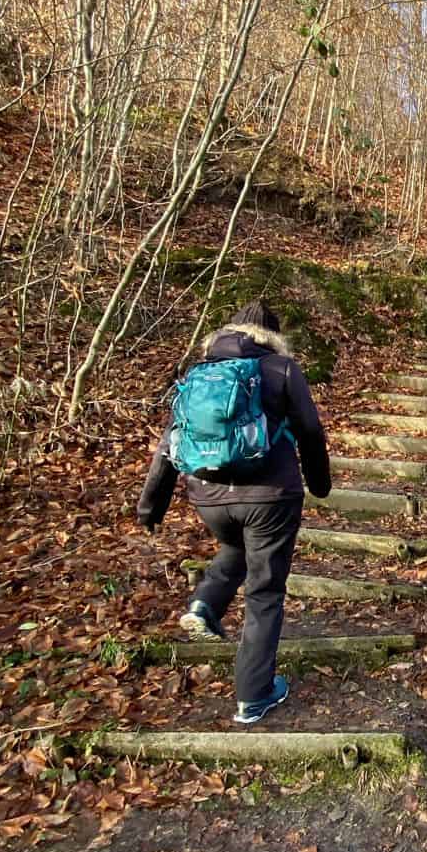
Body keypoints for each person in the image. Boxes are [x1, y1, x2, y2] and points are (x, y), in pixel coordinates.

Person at [137, 300, 332, 724]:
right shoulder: (281, 369)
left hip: (208, 496)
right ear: (273, 336)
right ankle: (254, 695)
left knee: (233, 550)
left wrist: (151, 505)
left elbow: (169, 443)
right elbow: (311, 431)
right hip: (269, 497)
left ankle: (205, 603)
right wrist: (319, 484)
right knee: (264, 593)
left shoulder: (200, 373)